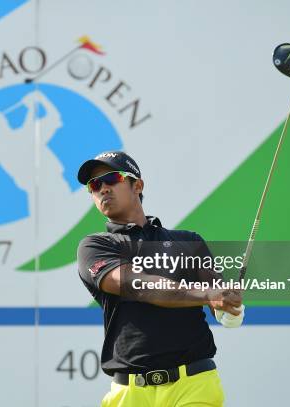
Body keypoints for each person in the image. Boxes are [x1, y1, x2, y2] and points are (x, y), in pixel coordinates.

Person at [76, 151, 244, 407]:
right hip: (129, 393)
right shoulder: (96, 246)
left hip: (194, 386)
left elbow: (219, 304)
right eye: (94, 185)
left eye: (111, 179)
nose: (103, 189)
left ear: (138, 185)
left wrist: (231, 308)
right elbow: (137, 285)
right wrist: (208, 295)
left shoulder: (189, 242)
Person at [0, 90, 69, 218]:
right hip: (40, 191)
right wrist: (36, 104)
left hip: (55, 181)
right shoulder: (0, 147)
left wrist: (40, 102)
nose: (1, 122)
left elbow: (54, 116)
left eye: (0, 118)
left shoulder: (19, 135)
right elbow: (25, 135)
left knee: (69, 215)